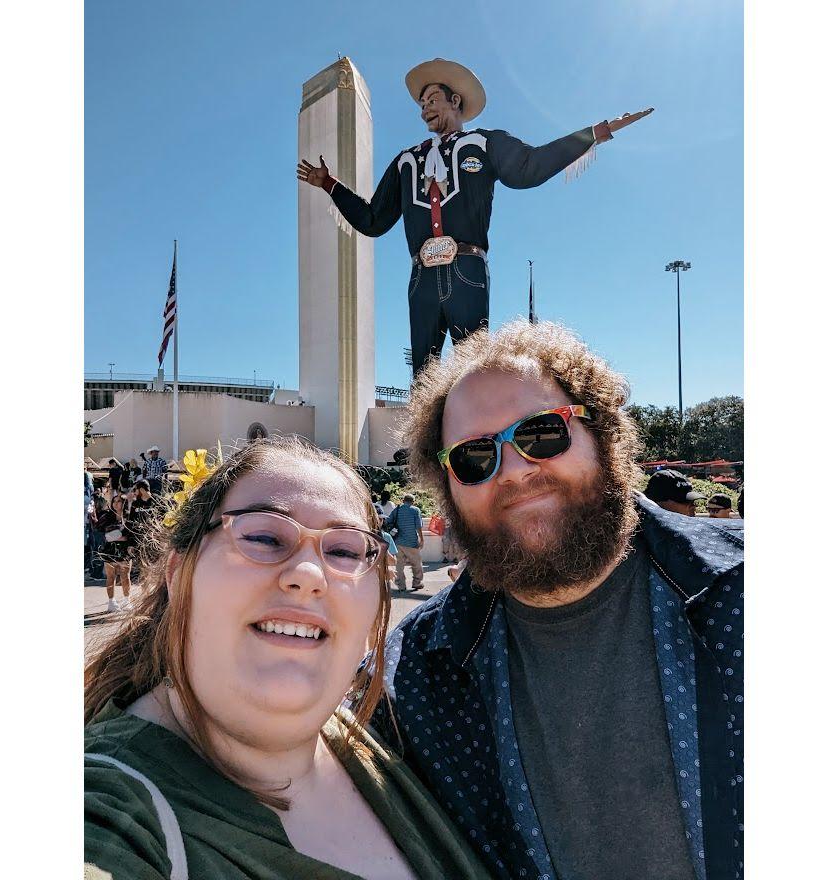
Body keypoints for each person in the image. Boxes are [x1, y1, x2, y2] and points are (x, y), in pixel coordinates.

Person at [366, 321, 743, 880]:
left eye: (542, 433)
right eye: (473, 457)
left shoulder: (746, 586)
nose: (516, 471)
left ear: (604, 434)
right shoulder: (417, 669)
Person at [84, 437, 490, 880]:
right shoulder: (109, 815)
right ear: (180, 574)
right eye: (263, 536)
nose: (308, 575)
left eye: (344, 550)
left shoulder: (390, 747)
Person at [298, 58, 652, 375]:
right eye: (421, 105)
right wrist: (330, 184)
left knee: (474, 371)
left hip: (466, 270)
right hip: (421, 277)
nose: (425, 110)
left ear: (456, 101)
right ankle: (425, 449)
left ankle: (473, 446)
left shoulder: (484, 144)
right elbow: (373, 219)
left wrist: (593, 134)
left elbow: (530, 167)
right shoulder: (406, 162)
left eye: (432, 100)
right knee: (423, 377)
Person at [94, 493, 133, 612]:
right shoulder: (107, 516)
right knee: (110, 577)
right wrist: (117, 537)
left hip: (125, 551)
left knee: (125, 577)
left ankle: (127, 601)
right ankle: (111, 602)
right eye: (114, 501)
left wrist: (116, 536)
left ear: (123, 503)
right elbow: (100, 531)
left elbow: (132, 533)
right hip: (109, 550)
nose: (116, 503)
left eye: (119, 501)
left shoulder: (128, 516)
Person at [385, 494, 424, 592]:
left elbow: (388, 521)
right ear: (413, 502)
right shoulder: (415, 510)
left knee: (399, 565)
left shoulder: (397, 509)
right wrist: (421, 539)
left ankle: (401, 586)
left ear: (403, 500)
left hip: (398, 541)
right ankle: (417, 583)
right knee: (416, 563)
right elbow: (418, 526)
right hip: (411, 542)